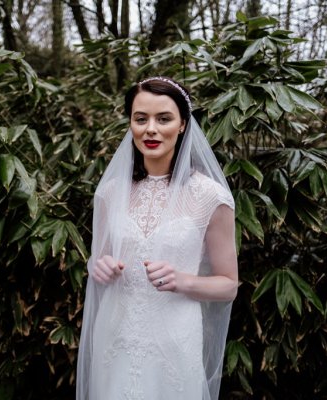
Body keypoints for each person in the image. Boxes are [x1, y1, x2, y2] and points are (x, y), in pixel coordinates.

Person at [76, 76, 238, 400]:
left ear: (182, 125)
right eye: (141, 119)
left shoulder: (210, 197)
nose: (151, 129)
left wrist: (182, 280)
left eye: (163, 118)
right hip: (115, 339)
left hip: (173, 344)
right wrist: (99, 265)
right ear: (130, 124)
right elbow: (99, 260)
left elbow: (228, 286)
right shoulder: (111, 193)